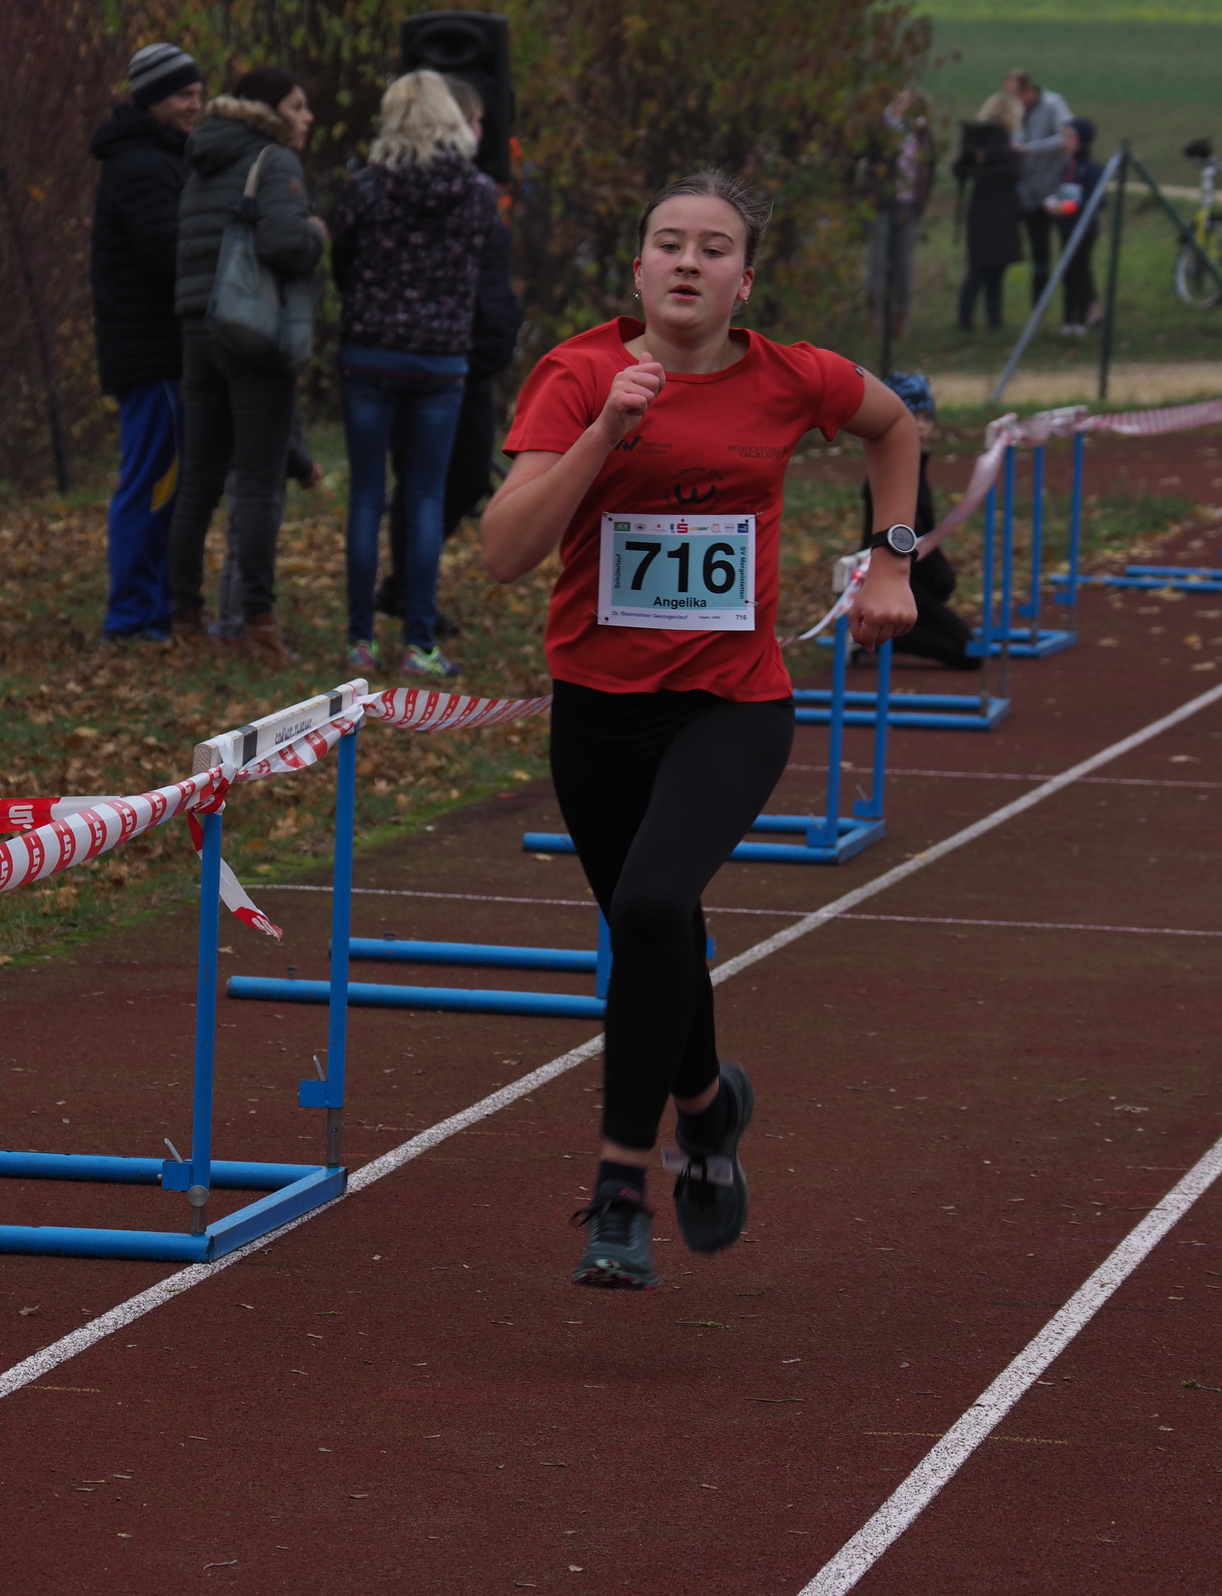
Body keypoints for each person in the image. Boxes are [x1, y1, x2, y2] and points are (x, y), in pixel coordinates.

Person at [481, 170, 918, 1289]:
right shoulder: (579, 374)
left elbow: (894, 425)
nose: (688, 261)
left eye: (712, 247)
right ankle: (710, 1106)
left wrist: (891, 559)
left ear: (743, 281)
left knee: (649, 906)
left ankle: (623, 1187)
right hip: (598, 708)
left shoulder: (791, 377)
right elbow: (505, 551)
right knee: (655, 931)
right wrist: (605, 434)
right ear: (637, 270)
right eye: (668, 243)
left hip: (732, 703)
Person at [334, 69, 498, 679]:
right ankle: (418, 640)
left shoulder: (365, 189)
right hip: (441, 359)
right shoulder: (479, 194)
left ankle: (360, 639)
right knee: (425, 498)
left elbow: (342, 261)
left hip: (370, 352)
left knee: (366, 496)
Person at [168, 67, 327, 664]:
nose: (306, 117)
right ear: (268, 109)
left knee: (199, 481)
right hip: (253, 333)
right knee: (259, 481)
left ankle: (185, 616)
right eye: (297, 105)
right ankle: (258, 624)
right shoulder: (273, 159)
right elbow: (285, 244)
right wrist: (316, 233)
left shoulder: (202, 160)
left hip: (198, 328)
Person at [376, 76, 523, 637]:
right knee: (422, 482)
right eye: (475, 120)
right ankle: (409, 593)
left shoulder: (478, 194)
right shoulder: (433, 196)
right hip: (438, 360)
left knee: (463, 479)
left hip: (473, 361)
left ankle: (407, 585)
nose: (483, 132)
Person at [89, 41, 205, 645]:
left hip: (163, 350)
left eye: (198, 94)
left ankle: (153, 610)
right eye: (184, 94)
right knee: (152, 484)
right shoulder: (140, 164)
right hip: (153, 352)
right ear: (155, 97)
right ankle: (133, 617)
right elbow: (167, 255)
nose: (195, 105)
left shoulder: (162, 157)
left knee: (168, 485)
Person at [857, 373, 979, 672]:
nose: (921, 425)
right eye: (913, 416)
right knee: (968, 651)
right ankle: (879, 638)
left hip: (918, 582)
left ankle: (887, 635)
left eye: (927, 417)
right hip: (897, 578)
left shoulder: (917, 468)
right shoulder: (889, 475)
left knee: (970, 646)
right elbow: (907, 537)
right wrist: (940, 576)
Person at [214, 403, 324, 645]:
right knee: (250, 543)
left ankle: (230, 622)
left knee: (238, 544)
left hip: (242, 455)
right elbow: (273, 417)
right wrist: (302, 464)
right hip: (262, 462)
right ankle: (239, 625)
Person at [865, 87, 936, 340]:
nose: (900, 103)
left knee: (903, 264)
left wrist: (921, 198)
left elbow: (929, 165)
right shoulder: (877, 127)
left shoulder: (920, 130)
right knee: (877, 263)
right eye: (896, 99)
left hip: (908, 205)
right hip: (882, 204)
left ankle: (900, 317)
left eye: (904, 99)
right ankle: (873, 319)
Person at [953, 93, 1024, 333]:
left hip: (980, 209)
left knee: (982, 268)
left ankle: (972, 320)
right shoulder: (1000, 139)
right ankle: (988, 321)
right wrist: (1015, 156)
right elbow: (1011, 173)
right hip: (1000, 212)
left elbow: (960, 169)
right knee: (990, 271)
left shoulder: (977, 138)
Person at [1006, 70, 1073, 305]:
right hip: (1030, 194)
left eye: (1014, 95)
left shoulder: (1053, 104)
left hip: (1057, 190)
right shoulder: (1013, 112)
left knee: (1071, 251)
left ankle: (1076, 307)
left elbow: (1067, 138)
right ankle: (1039, 307)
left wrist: (1030, 148)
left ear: (1028, 91)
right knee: (1038, 254)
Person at [1043, 117, 1104, 338]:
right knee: (1068, 273)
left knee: (1079, 272)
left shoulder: (1092, 168)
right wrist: (1053, 204)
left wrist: (1069, 207)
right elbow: (1063, 192)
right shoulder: (1067, 166)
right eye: (1065, 137)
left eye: (1071, 137)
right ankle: (1068, 320)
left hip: (1084, 231)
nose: (1066, 141)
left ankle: (1079, 320)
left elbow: (1098, 201)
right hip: (1066, 229)